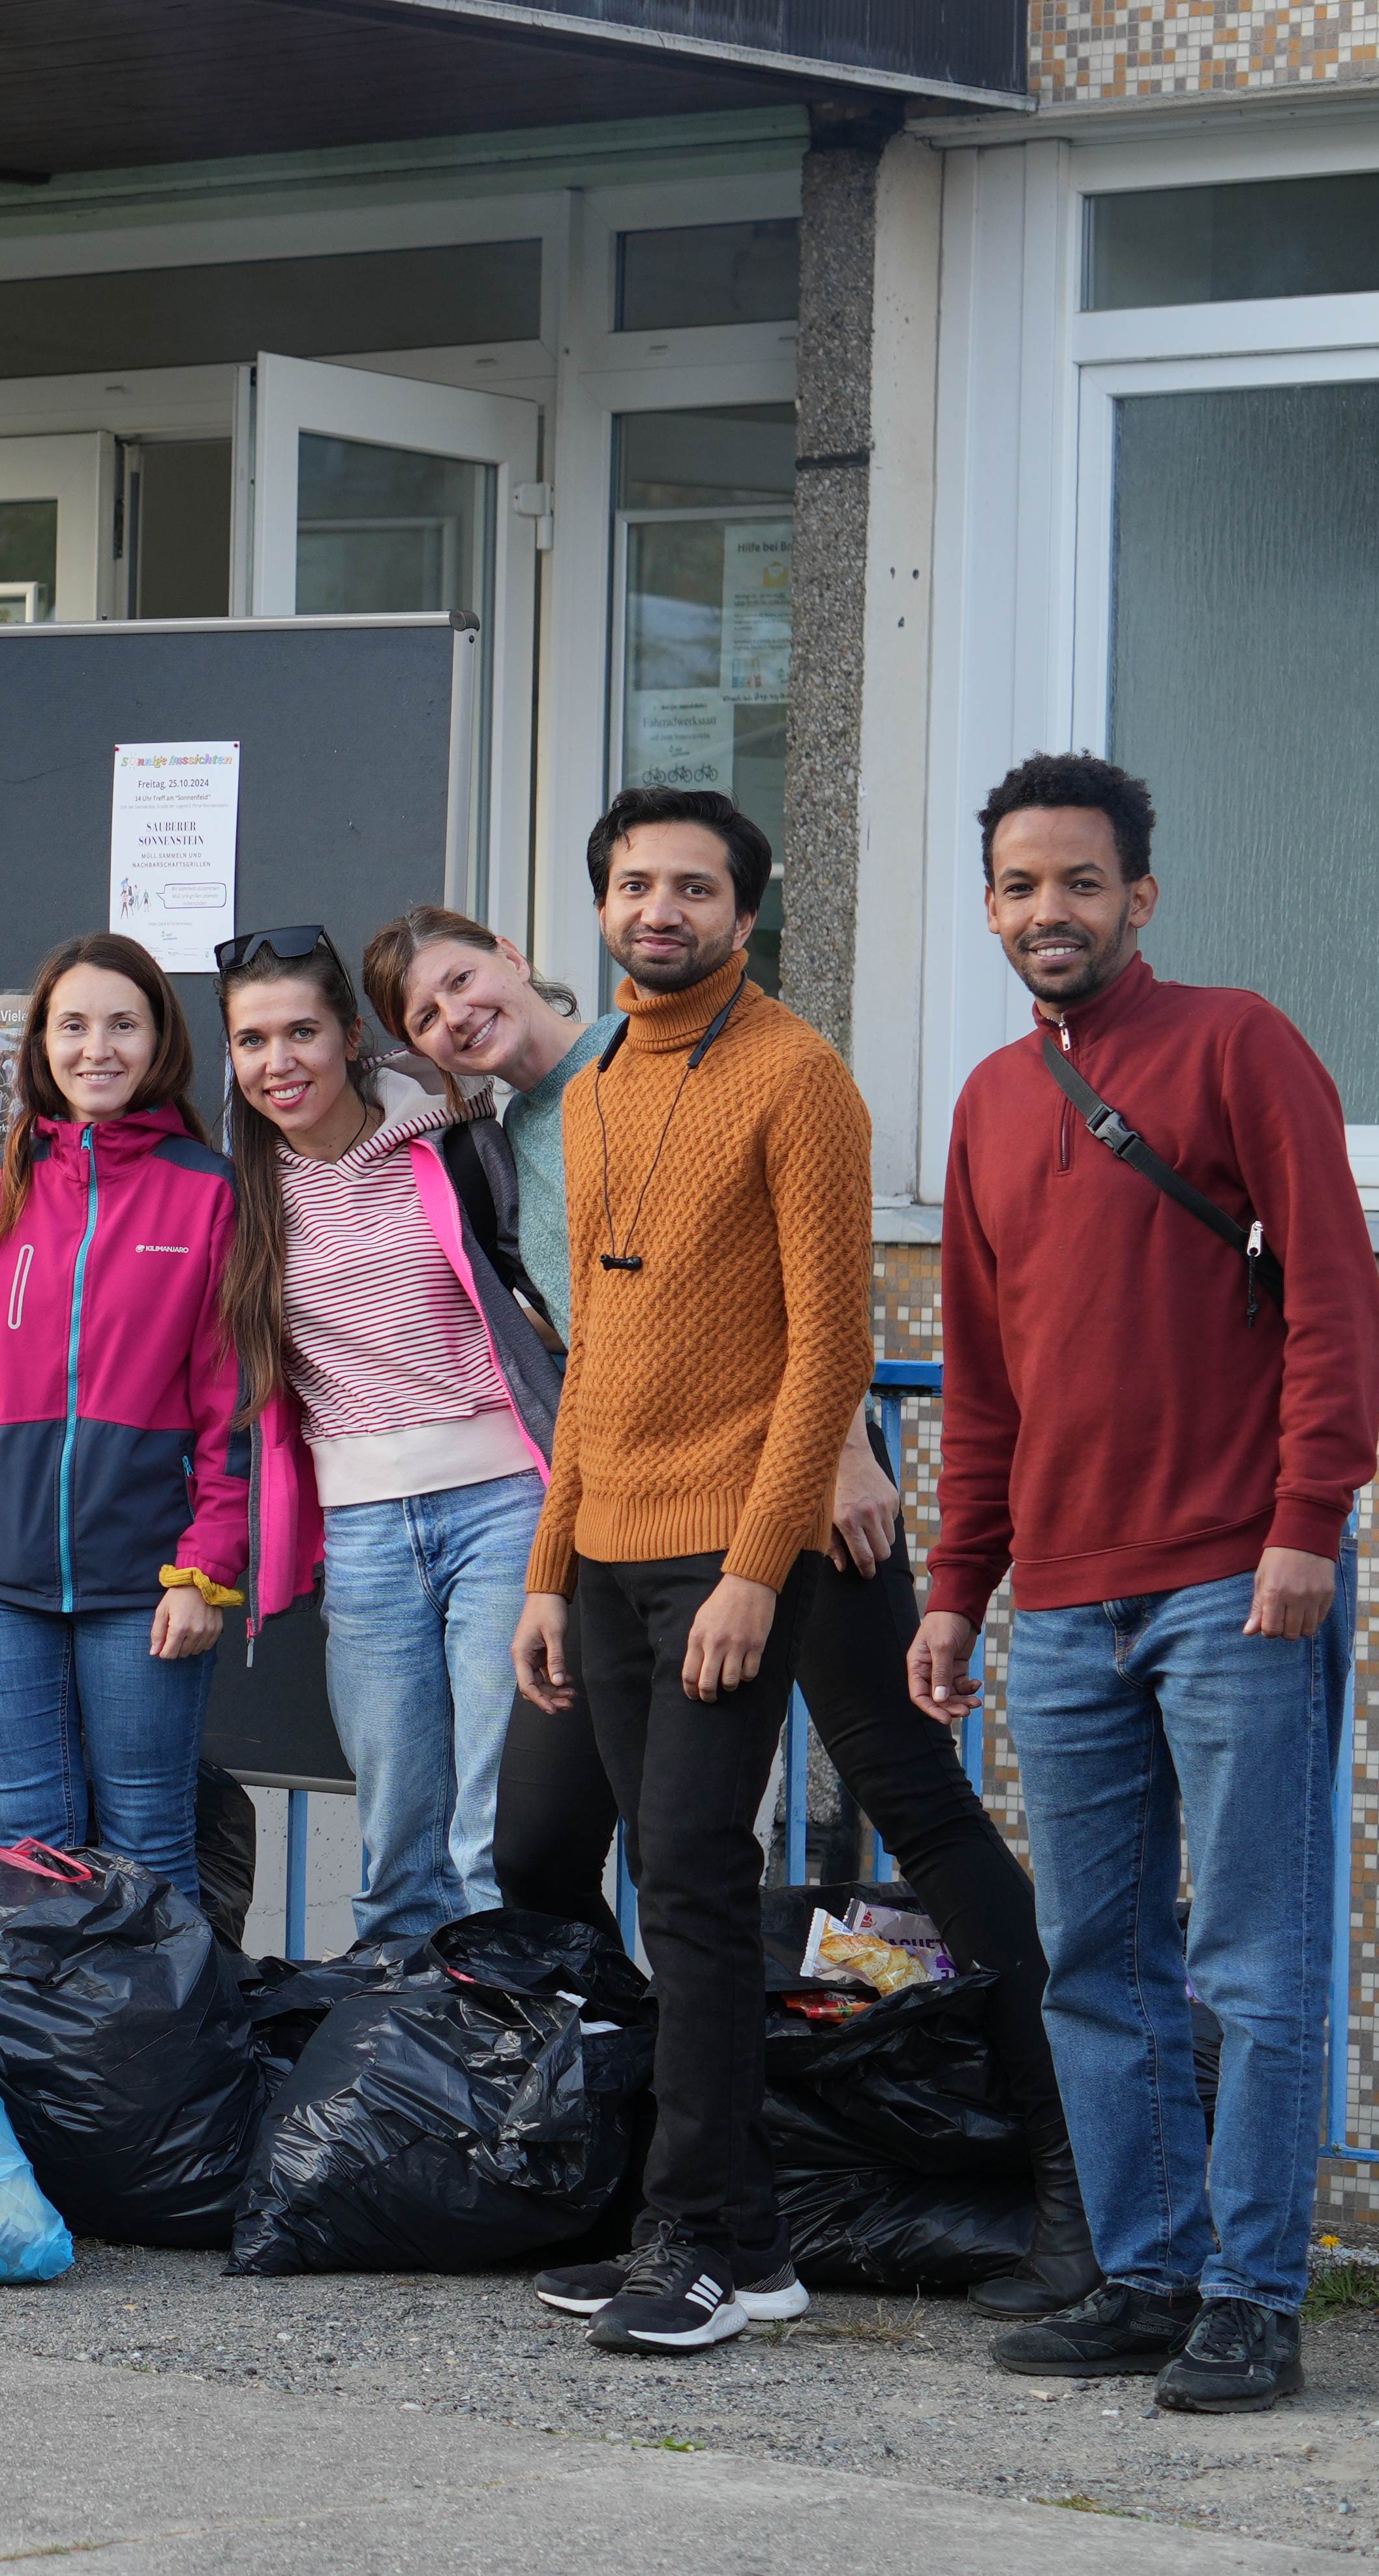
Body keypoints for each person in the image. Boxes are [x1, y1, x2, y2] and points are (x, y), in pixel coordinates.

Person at [367, 904, 1094, 2321]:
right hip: (637, 1522)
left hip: (789, 1501)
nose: (455, 1016)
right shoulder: (494, 1151)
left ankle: (1067, 2171)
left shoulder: (693, 1067)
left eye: (462, 980)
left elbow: (809, 1290)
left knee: (914, 1804)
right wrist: (554, 1570)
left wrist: (837, 1448)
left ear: (515, 954)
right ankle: (676, 2191)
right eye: (425, 1017)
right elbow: (587, 1356)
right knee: (541, 1844)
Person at [909, 753, 1379, 2415]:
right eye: (1020, 886)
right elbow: (982, 1377)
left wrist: (1304, 1523)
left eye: (1080, 882)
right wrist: (955, 1587)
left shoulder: (1234, 1040)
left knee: (1249, 1962)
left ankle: (1252, 2292)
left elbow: (1334, 1297)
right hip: (1059, 1600)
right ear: (989, 906)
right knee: (1090, 1959)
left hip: (1231, 1587)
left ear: (1139, 897)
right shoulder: (980, 1100)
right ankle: (1147, 2269)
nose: (1050, 910)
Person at [509, 785, 872, 2356]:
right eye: (634, 884)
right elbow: (591, 1351)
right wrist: (541, 1568)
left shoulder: (798, 1078)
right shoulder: (591, 1088)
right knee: (652, 1881)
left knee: (693, 1881)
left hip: (726, 1549)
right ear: (600, 905)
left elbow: (827, 1348)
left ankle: (709, 2235)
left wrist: (754, 1560)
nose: (659, 908)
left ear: (748, 902)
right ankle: (725, 2227)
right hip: (600, 1551)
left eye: (692, 886)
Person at [213, 925, 558, 1947]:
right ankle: (398, 2068)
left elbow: (553, 1286)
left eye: (302, 1033)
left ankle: (504, 2056)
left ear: (353, 1037)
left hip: (505, 1505)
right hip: (363, 1531)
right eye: (251, 1042)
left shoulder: (457, 1141)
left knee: (490, 1830)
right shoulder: (242, 1192)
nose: (279, 1064)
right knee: (396, 1827)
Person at [0, 933, 238, 1900]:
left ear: (160, 1039)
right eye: (73, 1025)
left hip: (148, 1580)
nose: (98, 1048)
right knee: (31, 1848)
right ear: (39, 1044)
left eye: (124, 1024)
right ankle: (42, 2054)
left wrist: (206, 1571)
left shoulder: (211, 1194)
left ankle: (164, 2055)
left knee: (149, 1844)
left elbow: (233, 1410)